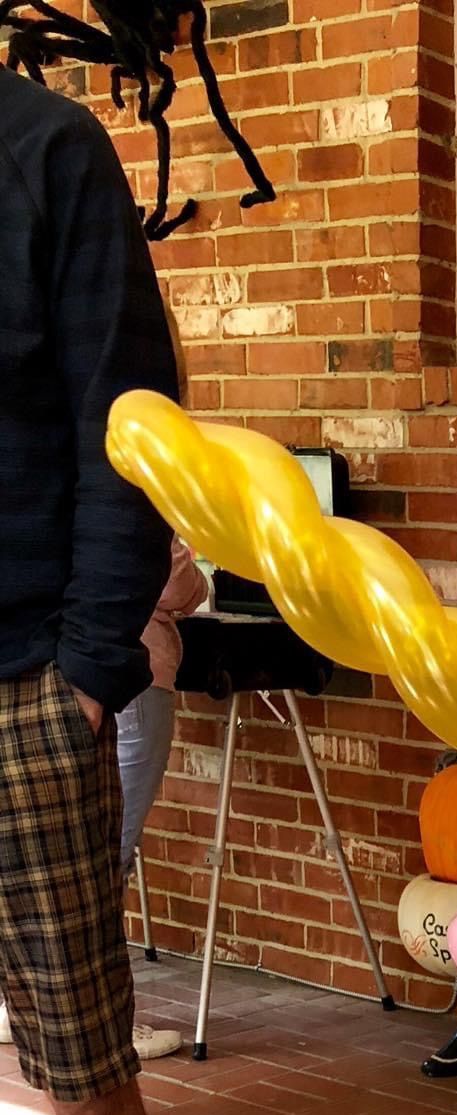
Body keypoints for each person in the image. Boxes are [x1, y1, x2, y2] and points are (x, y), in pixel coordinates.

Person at [0, 67, 191, 1115]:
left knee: (81, 1058)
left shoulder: (48, 153)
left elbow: (127, 426)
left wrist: (86, 675)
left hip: (22, 695)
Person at [113, 303, 209, 1063]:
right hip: (136, 673)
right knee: (109, 854)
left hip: (57, 667)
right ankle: (110, 1020)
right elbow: (176, 583)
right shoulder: (146, 459)